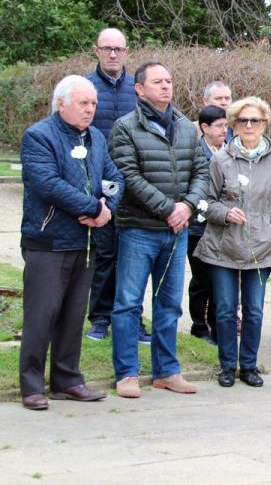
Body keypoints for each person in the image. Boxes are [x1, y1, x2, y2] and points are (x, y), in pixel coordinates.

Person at [18, 76, 124, 410]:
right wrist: (93, 207)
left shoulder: (96, 137)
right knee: (41, 315)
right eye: (83, 103)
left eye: (93, 104)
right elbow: (48, 184)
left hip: (86, 241)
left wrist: (107, 209)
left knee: (74, 315)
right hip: (48, 241)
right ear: (61, 102)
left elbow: (114, 178)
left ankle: (67, 380)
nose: (90, 109)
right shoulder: (39, 136)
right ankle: (31, 386)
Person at [108, 61, 209, 399]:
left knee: (168, 305)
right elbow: (129, 176)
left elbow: (202, 171)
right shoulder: (125, 127)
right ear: (139, 89)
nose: (166, 86)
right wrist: (169, 209)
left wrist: (188, 206)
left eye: (168, 80)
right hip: (139, 229)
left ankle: (166, 371)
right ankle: (127, 373)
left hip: (177, 232)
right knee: (128, 303)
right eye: (157, 81)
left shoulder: (186, 127)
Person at [193, 97, 271, 388]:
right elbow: (206, 202)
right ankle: (227, 365)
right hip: (223, 244)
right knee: (225, 309)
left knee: (254, 310)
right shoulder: (221, 159)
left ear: (265, 123)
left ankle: (248, 365)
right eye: (243, 120)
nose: (249, 125)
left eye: (255, 120)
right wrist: (225, 213)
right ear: (234, 124)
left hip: (261, 245)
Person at [84, 28, 141, 343]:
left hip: (135, 186)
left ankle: (132, 317)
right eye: (107, 48)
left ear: (126, 51)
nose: (113, 54)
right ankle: (100, 317)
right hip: (100, 186)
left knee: (135, 257)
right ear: (96, 51)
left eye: (118, 49)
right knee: (105, 255)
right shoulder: (85, 87)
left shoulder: (139, 88)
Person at [186, 105, 228, 344]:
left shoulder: (230, 150)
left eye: (226, 125)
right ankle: (199, 326)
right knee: (202, 279)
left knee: (219, 280)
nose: (224, 130)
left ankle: (217, 327)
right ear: (204, 127)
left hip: (222, 224)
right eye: (219, 126)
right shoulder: (194, 152)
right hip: (198, 226)